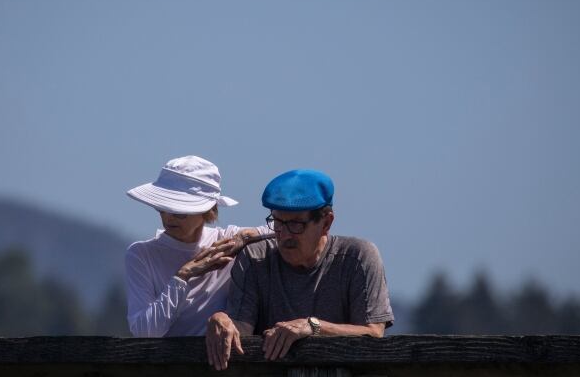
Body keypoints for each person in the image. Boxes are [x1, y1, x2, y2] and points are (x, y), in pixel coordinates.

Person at [205, 169, 394, 370]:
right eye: (277, 222)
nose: (284, 235)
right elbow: (241, 333)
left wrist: (313, 327)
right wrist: (221, 320)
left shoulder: (358, 258)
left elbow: (374, 332)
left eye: (296, 225)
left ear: (326, 222)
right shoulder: (255, 258)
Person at [125, 155, 270, 337]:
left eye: (179, 213)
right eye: (162, 208)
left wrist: (246, 236)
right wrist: (183, 276)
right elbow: (145, 333)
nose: (168, 218)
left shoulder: (226, 241)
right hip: (166, 363)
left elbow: (285, 228)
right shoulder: (141, 254)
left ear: (206, 211)